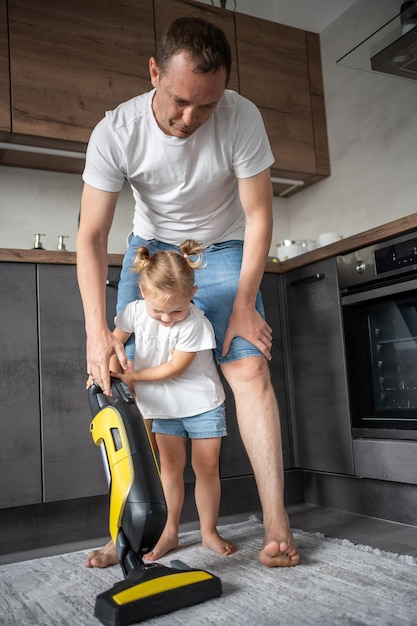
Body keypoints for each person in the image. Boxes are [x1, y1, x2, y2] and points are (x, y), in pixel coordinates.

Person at [77, 16, 300, 569]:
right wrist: (96, 332)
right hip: (150, 249)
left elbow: (258, 215)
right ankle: (137, 528)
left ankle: (276, 522)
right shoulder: (116, 131)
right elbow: (91, 235)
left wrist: (245, 304)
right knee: (118, 377)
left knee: (247, 367)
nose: (190, 119)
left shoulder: (242, 117)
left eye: (206, 105)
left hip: (222, 245)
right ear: (154, 72)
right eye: (179, 101)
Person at [94, 239, 236, 560]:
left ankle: (208, 531)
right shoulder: (134, 312)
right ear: (143, 292)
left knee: (206, 467)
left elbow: (175, 367)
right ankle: (169, 531)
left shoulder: (196, 323)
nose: (167, 318)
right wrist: (111, 371)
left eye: (177, 309)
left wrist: (131, 378)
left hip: (202, 403)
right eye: (158, 310)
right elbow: (115, 343)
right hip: (164, 406)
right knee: (169, 467)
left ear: (192, 294)